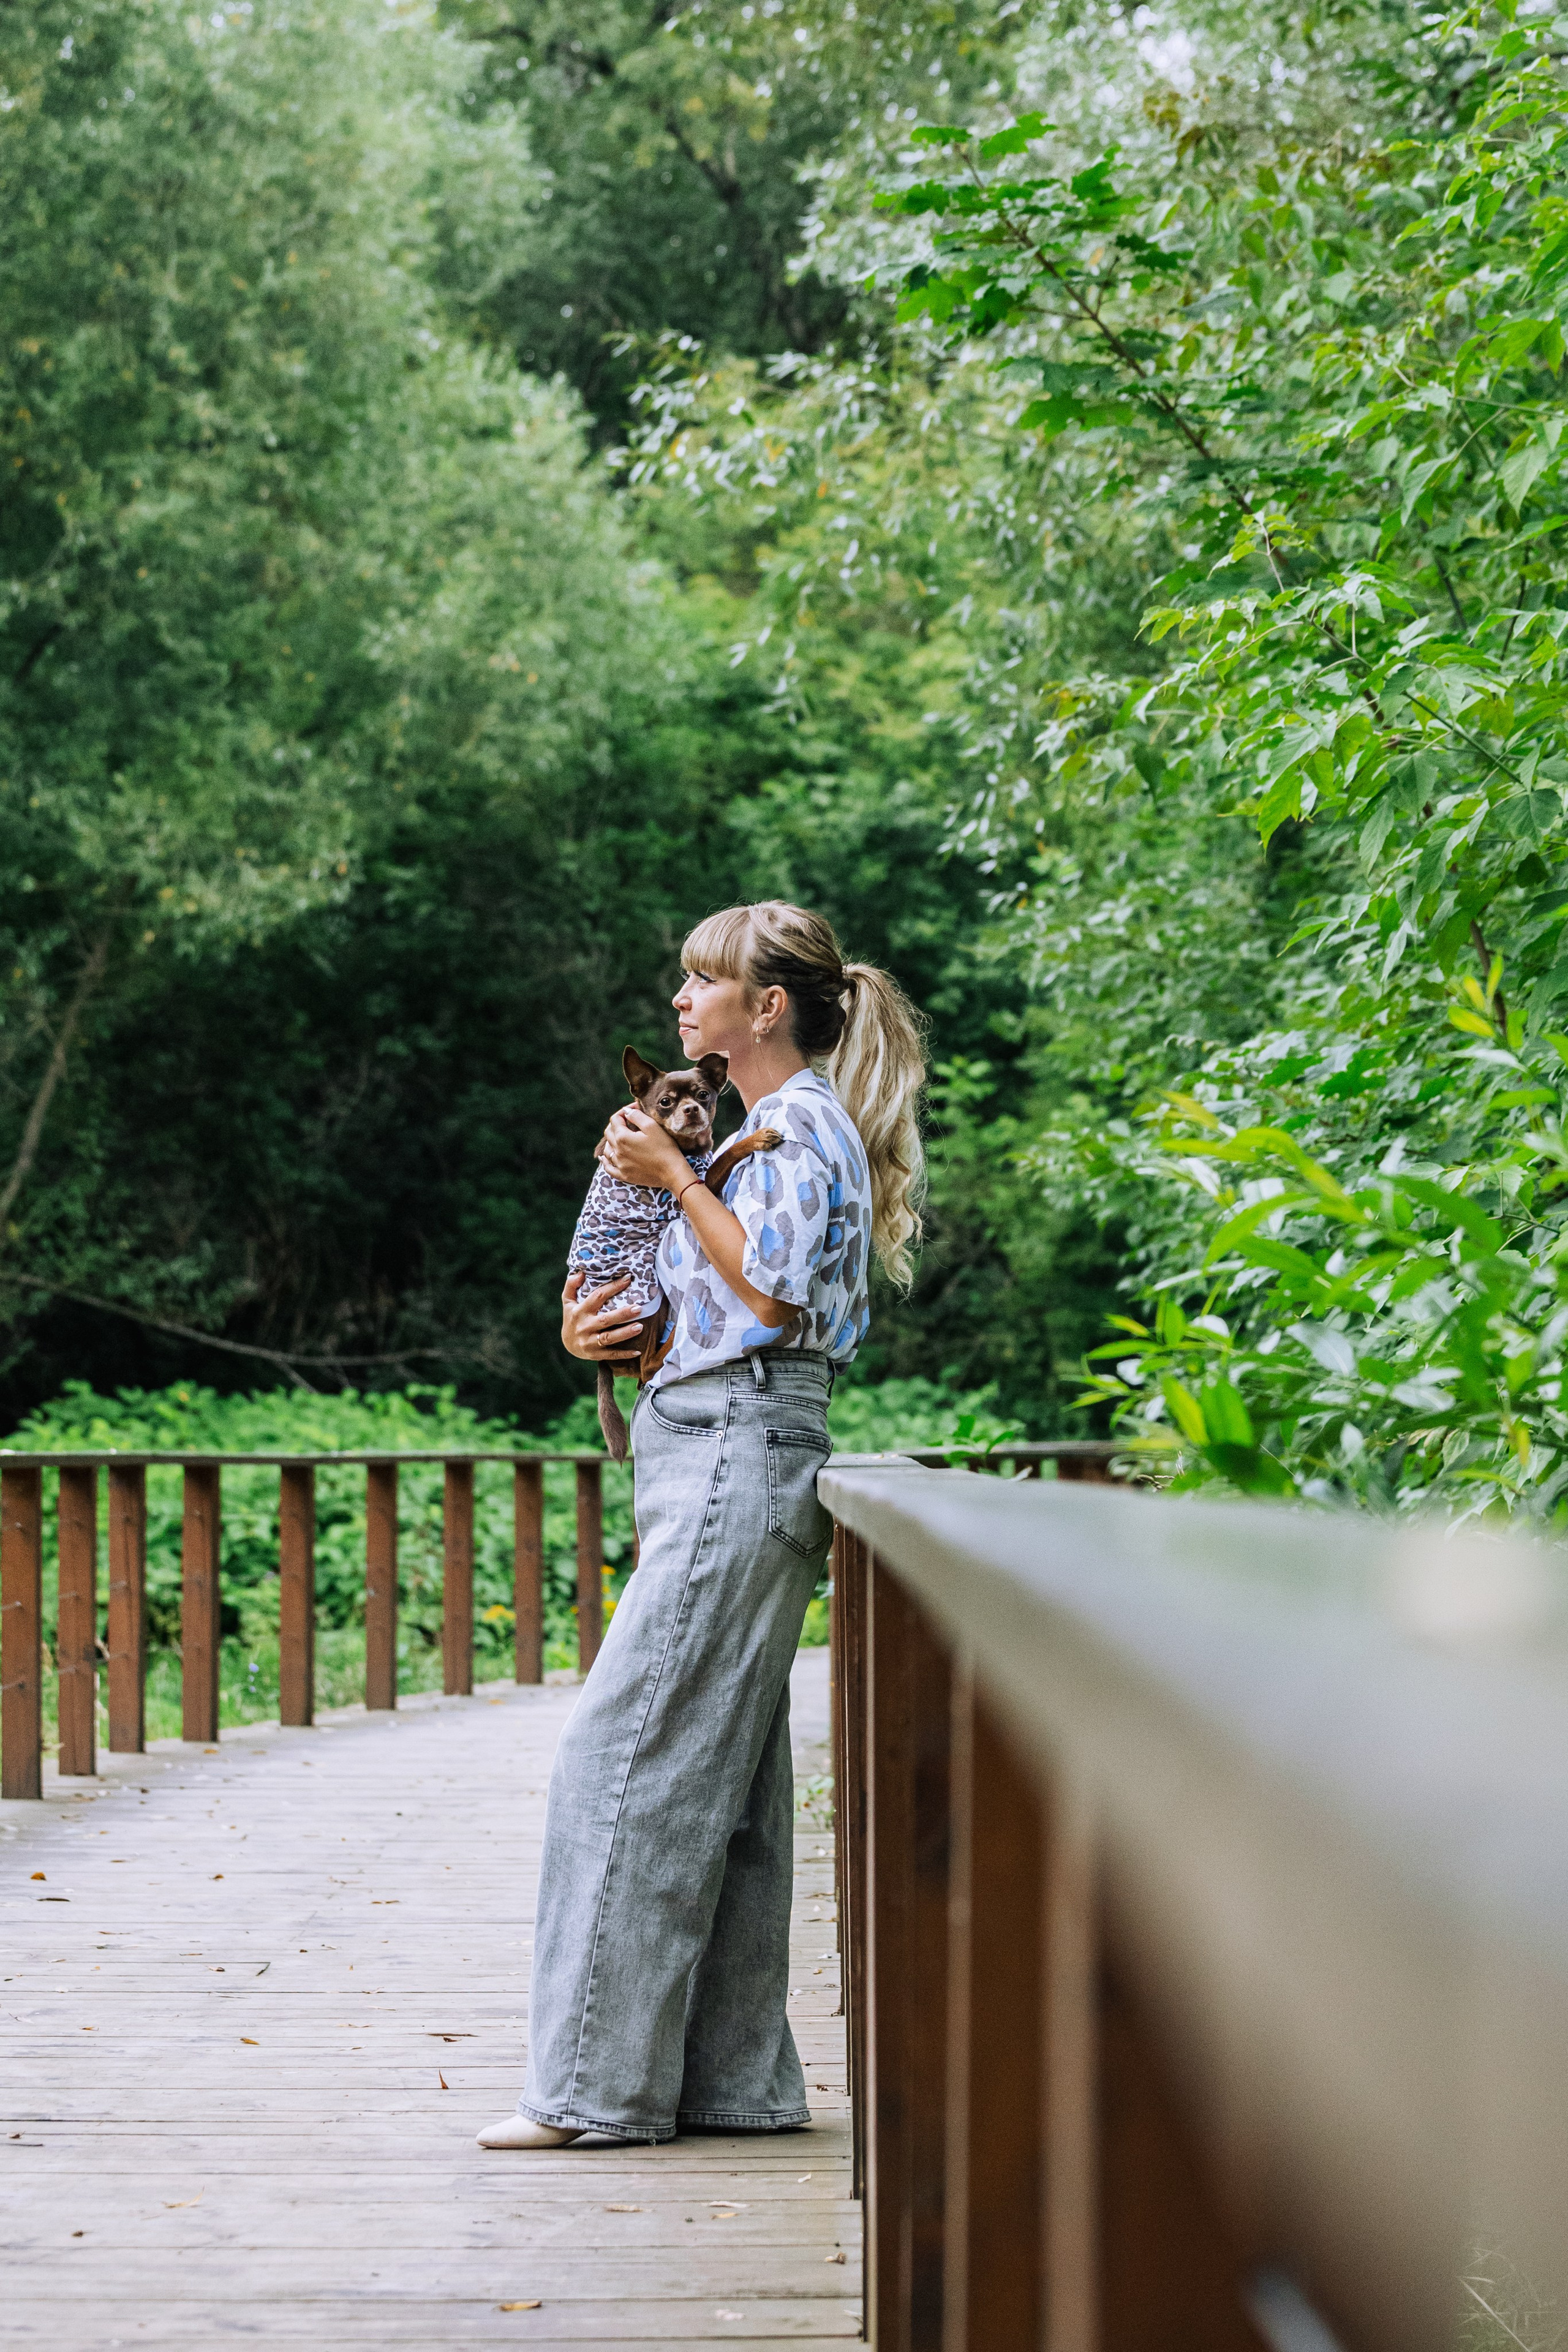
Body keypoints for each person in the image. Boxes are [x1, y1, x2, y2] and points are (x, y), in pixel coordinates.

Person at [477, 900, 925, 2149]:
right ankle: (728, 2084)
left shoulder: (789, 1128)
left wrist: (673, 1175)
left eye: (702, 981)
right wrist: (593, 1328)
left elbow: (772, 1291)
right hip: (711, 1438)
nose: (681, 1001)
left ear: (763, 1008)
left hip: (740, 1441)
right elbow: (701, 1290)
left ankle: (589, 2090)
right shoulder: (758, 1138)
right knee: (722, 1782)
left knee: (619, 1758)